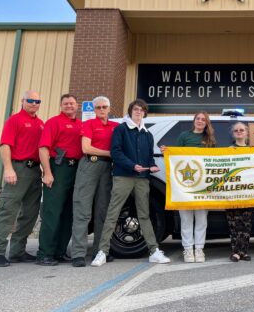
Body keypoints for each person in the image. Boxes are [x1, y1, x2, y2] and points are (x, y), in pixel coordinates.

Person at [91, 99, 170, 266]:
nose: (138, 112)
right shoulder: (121, 129)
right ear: (130, 111)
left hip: (142, 180)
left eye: (141, 110)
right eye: (136, 109)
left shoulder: (147, 135)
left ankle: (154, 251)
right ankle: (102, 252)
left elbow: (149, 157)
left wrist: (153, 166)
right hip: (123, 177)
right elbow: (116, 152)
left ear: (144, 113)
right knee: (113, 213)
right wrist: (132, 166)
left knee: (144, 215)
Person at [0, 91, 44, 267]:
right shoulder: (15, 120)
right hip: (17, 168)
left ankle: (18, 251)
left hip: (35, 171)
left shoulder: (41, 124)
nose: (34, 103)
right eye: (30, 100)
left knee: (30, 213)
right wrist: (8, 168)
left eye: (37, 101)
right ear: (23, 101)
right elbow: (5, 145)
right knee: (8, 210)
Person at [161, 111, 216, 263]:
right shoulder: (184, 136)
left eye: (203, 119)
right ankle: (187, 250)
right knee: (186, 219)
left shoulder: (210, 139)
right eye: (198, 118)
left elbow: (215, 160)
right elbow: (176, 156)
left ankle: (199, 249)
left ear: (206, 123)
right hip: (184, 185)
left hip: (203, 185)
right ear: (194, 121)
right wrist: (167, 151)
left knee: (201, 219)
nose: (200, 121)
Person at [70, 96, 118, 267]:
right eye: (98, 107)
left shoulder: (116, 127)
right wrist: (110, 153)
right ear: (94, 109)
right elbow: (86, 148)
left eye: (104, 106)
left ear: (109, 108)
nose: (101, 110)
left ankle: (100, 251)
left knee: (103, 211)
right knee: (82, 210)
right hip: (90, 165)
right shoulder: (89, 124)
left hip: (108, 169)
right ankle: (78, 253)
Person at [36, 94, 83, 266]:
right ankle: (45, 253)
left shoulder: (80, 125)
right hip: (59, 168)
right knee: (52, 212)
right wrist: (47, 172)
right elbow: (43, 148)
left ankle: (60, 251)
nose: (69, 106)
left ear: (77, 105)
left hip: (77, 169)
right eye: (65, 103)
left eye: (72, 103)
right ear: (61, 106)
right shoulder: (53, 122)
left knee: (69, 213)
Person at [225, 122, 254, 262]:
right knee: (234, 223)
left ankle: (243, 251)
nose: (239, 132)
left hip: (248, 191)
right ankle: (236, 252)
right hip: (232, 191)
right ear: (233, 134)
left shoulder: (253, 150)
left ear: (247, 132)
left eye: (242, 130)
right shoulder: (229, 149)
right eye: (236, 130)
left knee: (246, 223)